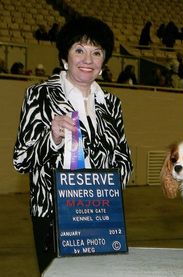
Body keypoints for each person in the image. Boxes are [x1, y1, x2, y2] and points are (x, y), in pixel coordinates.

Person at [13, 16, 133, 274]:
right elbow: (21, 159)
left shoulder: (112, 104)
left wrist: (107, 186)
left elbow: (124, 158)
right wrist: (52, 138)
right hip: (53, 216)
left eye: (96, 52)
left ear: (103, 63)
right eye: (79, 50)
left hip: (101, 215)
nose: (88, 60)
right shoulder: (39, 95)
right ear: (65, 57)